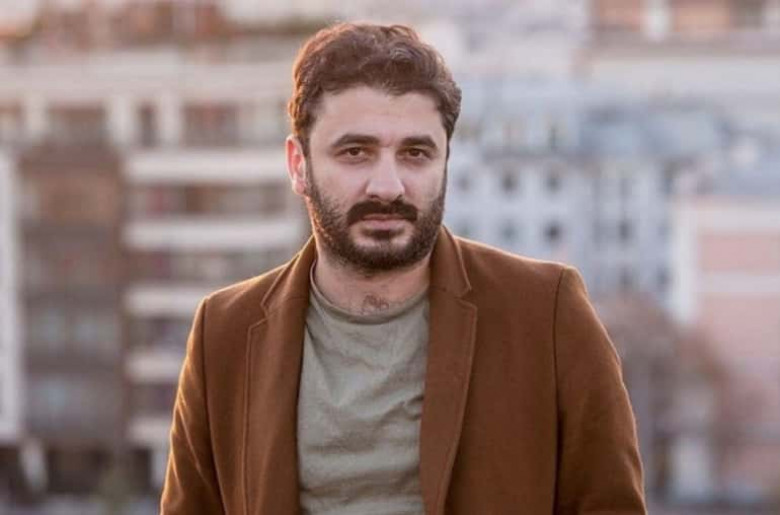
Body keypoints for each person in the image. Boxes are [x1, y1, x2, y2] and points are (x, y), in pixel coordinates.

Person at [160, 23, 646, 515]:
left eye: (415, 153)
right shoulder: (224, 332)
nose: (388, 186)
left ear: (446, 161)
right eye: (356, 153)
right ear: (298, 164)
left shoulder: (547, 314)